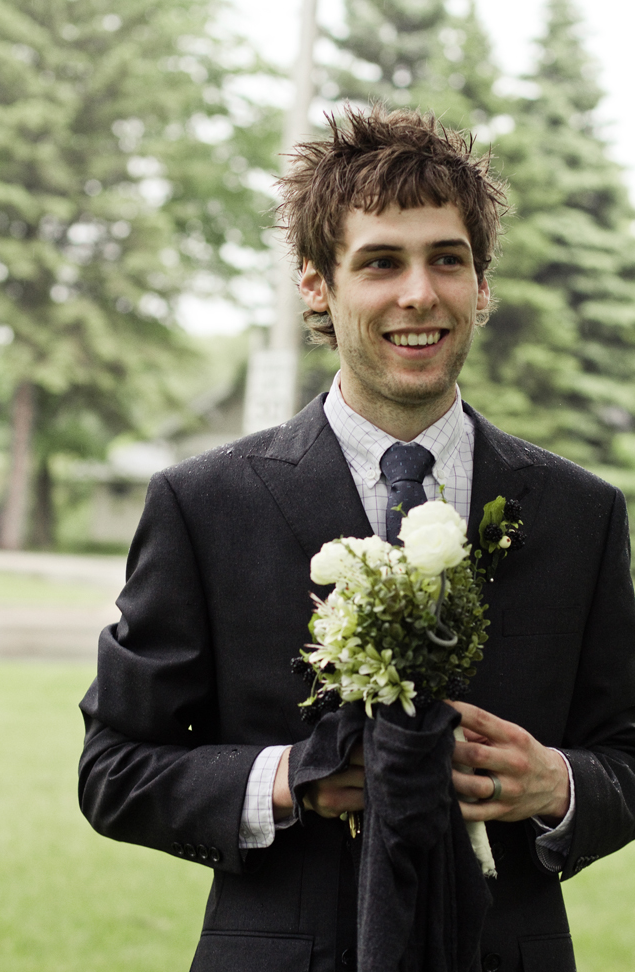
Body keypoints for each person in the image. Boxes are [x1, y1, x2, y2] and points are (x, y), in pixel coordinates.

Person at [79, 105, 635, 972]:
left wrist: (559, 785)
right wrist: (291, 781)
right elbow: (114, 769)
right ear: (315, 283)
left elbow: (628, 751)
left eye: (447, 260)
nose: (420, 293)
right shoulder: (202, 503)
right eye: (381, 262)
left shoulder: (582, 513)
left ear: (481, 286)